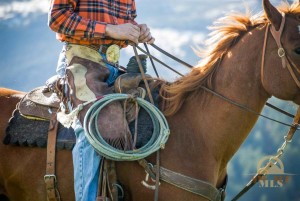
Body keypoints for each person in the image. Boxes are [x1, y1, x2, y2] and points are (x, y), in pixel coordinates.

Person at [48, 0, 155, 200]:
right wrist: (109, 29)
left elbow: (123, 26)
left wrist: (137, 31)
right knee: (92, 127)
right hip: (78, 59)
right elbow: (57, 17)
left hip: (112, 64)